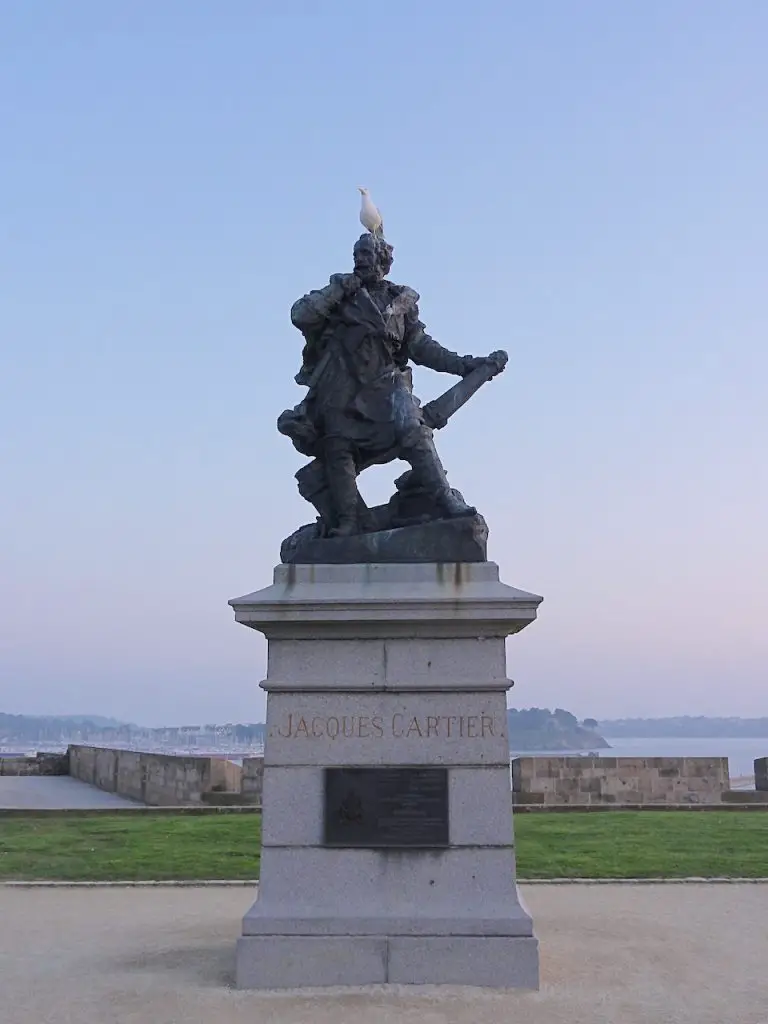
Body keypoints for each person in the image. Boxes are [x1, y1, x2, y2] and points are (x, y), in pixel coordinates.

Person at [285, 232, 504, 537]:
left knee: (413, 430)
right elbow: (301, 315)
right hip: (342, 387)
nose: (359, 259)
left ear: (383, 262)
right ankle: (349, 521)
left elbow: (422, 347)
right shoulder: (340, 293)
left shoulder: (400, 301)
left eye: (366, 254)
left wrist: (465, 365)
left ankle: (445, 499)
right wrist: (338, 289)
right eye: (356, 254)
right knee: (337, 445)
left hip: (386, 384)